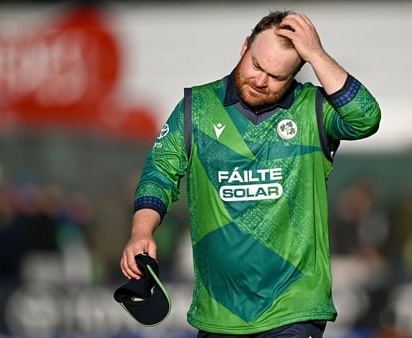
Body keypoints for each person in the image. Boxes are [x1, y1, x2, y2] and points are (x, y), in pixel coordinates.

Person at [120, 10, 381, 338]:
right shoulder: (196, 107)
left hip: (293, 307)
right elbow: (159, 172)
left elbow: (365, 118)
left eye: (276, 76)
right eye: (257, 66)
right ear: (245, 47)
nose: (261, 80)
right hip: (219, 311)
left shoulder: (312, 108)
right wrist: (141, 232)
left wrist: (316, 54)